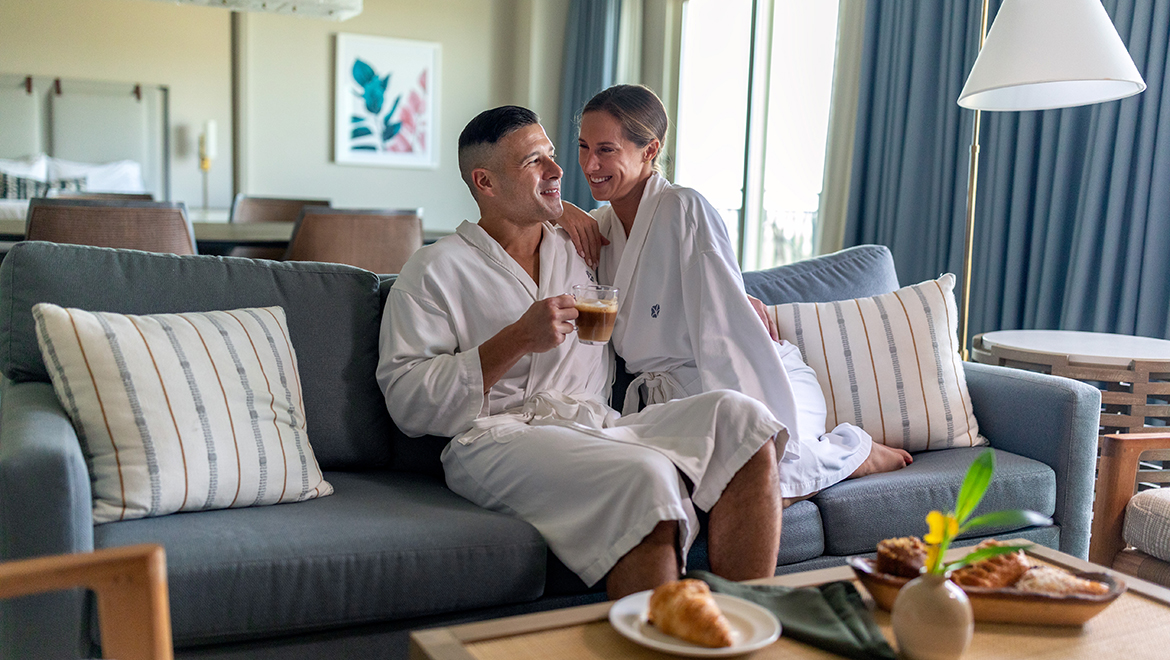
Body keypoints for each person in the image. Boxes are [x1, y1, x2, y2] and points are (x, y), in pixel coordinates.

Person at [377, 105, 785, 600]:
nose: (558, 171)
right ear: (485, 182)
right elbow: (407, 402)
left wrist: (737, 294)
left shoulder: (582, 244)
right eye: (534, 162)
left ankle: (747, 626)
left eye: (552, 155)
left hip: (597, 423)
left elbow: (664, 271)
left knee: (744, 420)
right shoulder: (433, 270)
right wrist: (518, 338)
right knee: (644, 476)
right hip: (497, 438)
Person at [559, 84, 911, 503]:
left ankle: (855, 452)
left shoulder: (684, 210)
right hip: (666, 405)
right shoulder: (599, 229)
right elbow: (522, 220)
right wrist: (560, 207)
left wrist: (753, 430)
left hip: (751, 381)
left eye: (606, 149)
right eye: (583, 147)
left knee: (758, 481)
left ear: (649, 150)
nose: (590, 163)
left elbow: (724, 334)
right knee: (644, 485)